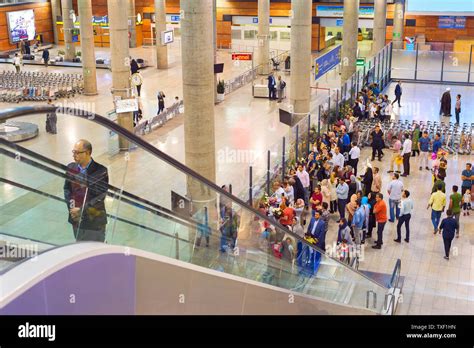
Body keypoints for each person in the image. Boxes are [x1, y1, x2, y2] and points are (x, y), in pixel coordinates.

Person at [64, 140, 109, 242]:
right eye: (73, 152)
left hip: (94, 221)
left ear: (88, 152)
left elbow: (99, 198)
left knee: (95, 251)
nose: (74, 155)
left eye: (77, 153)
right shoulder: (71, 167)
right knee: (80, 247)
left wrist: (80, 211)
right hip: (76, 219)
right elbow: (67, 190)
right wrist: (72, 209)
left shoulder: (101, 171)